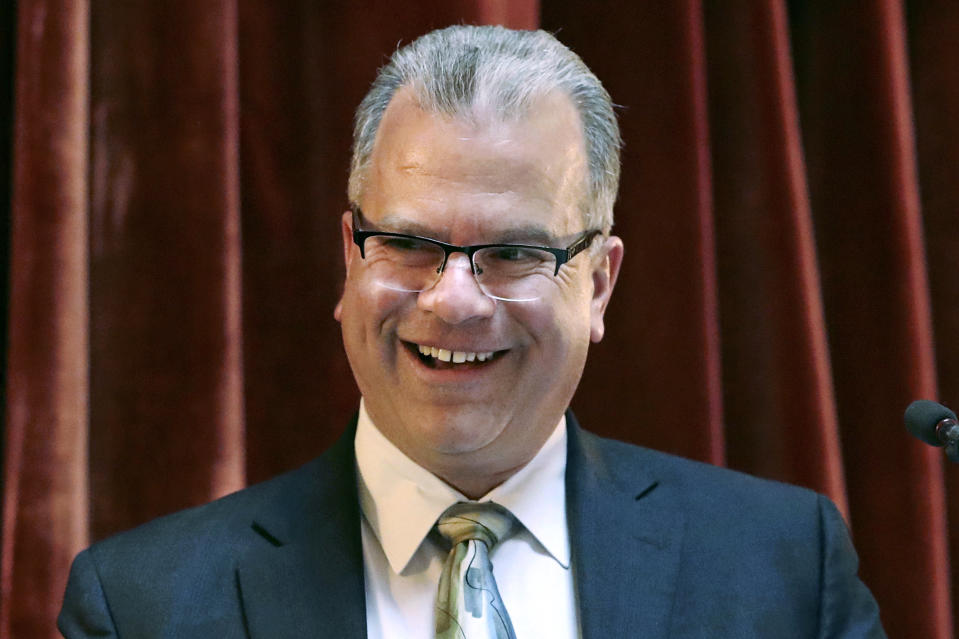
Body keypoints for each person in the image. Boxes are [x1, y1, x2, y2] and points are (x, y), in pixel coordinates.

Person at [59, 25, 886, 638]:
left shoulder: (781, 570)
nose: (454, 300)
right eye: (410, 244)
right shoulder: (142, 606)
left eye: (514, 251)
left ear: (598, 284)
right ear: (349, 260)